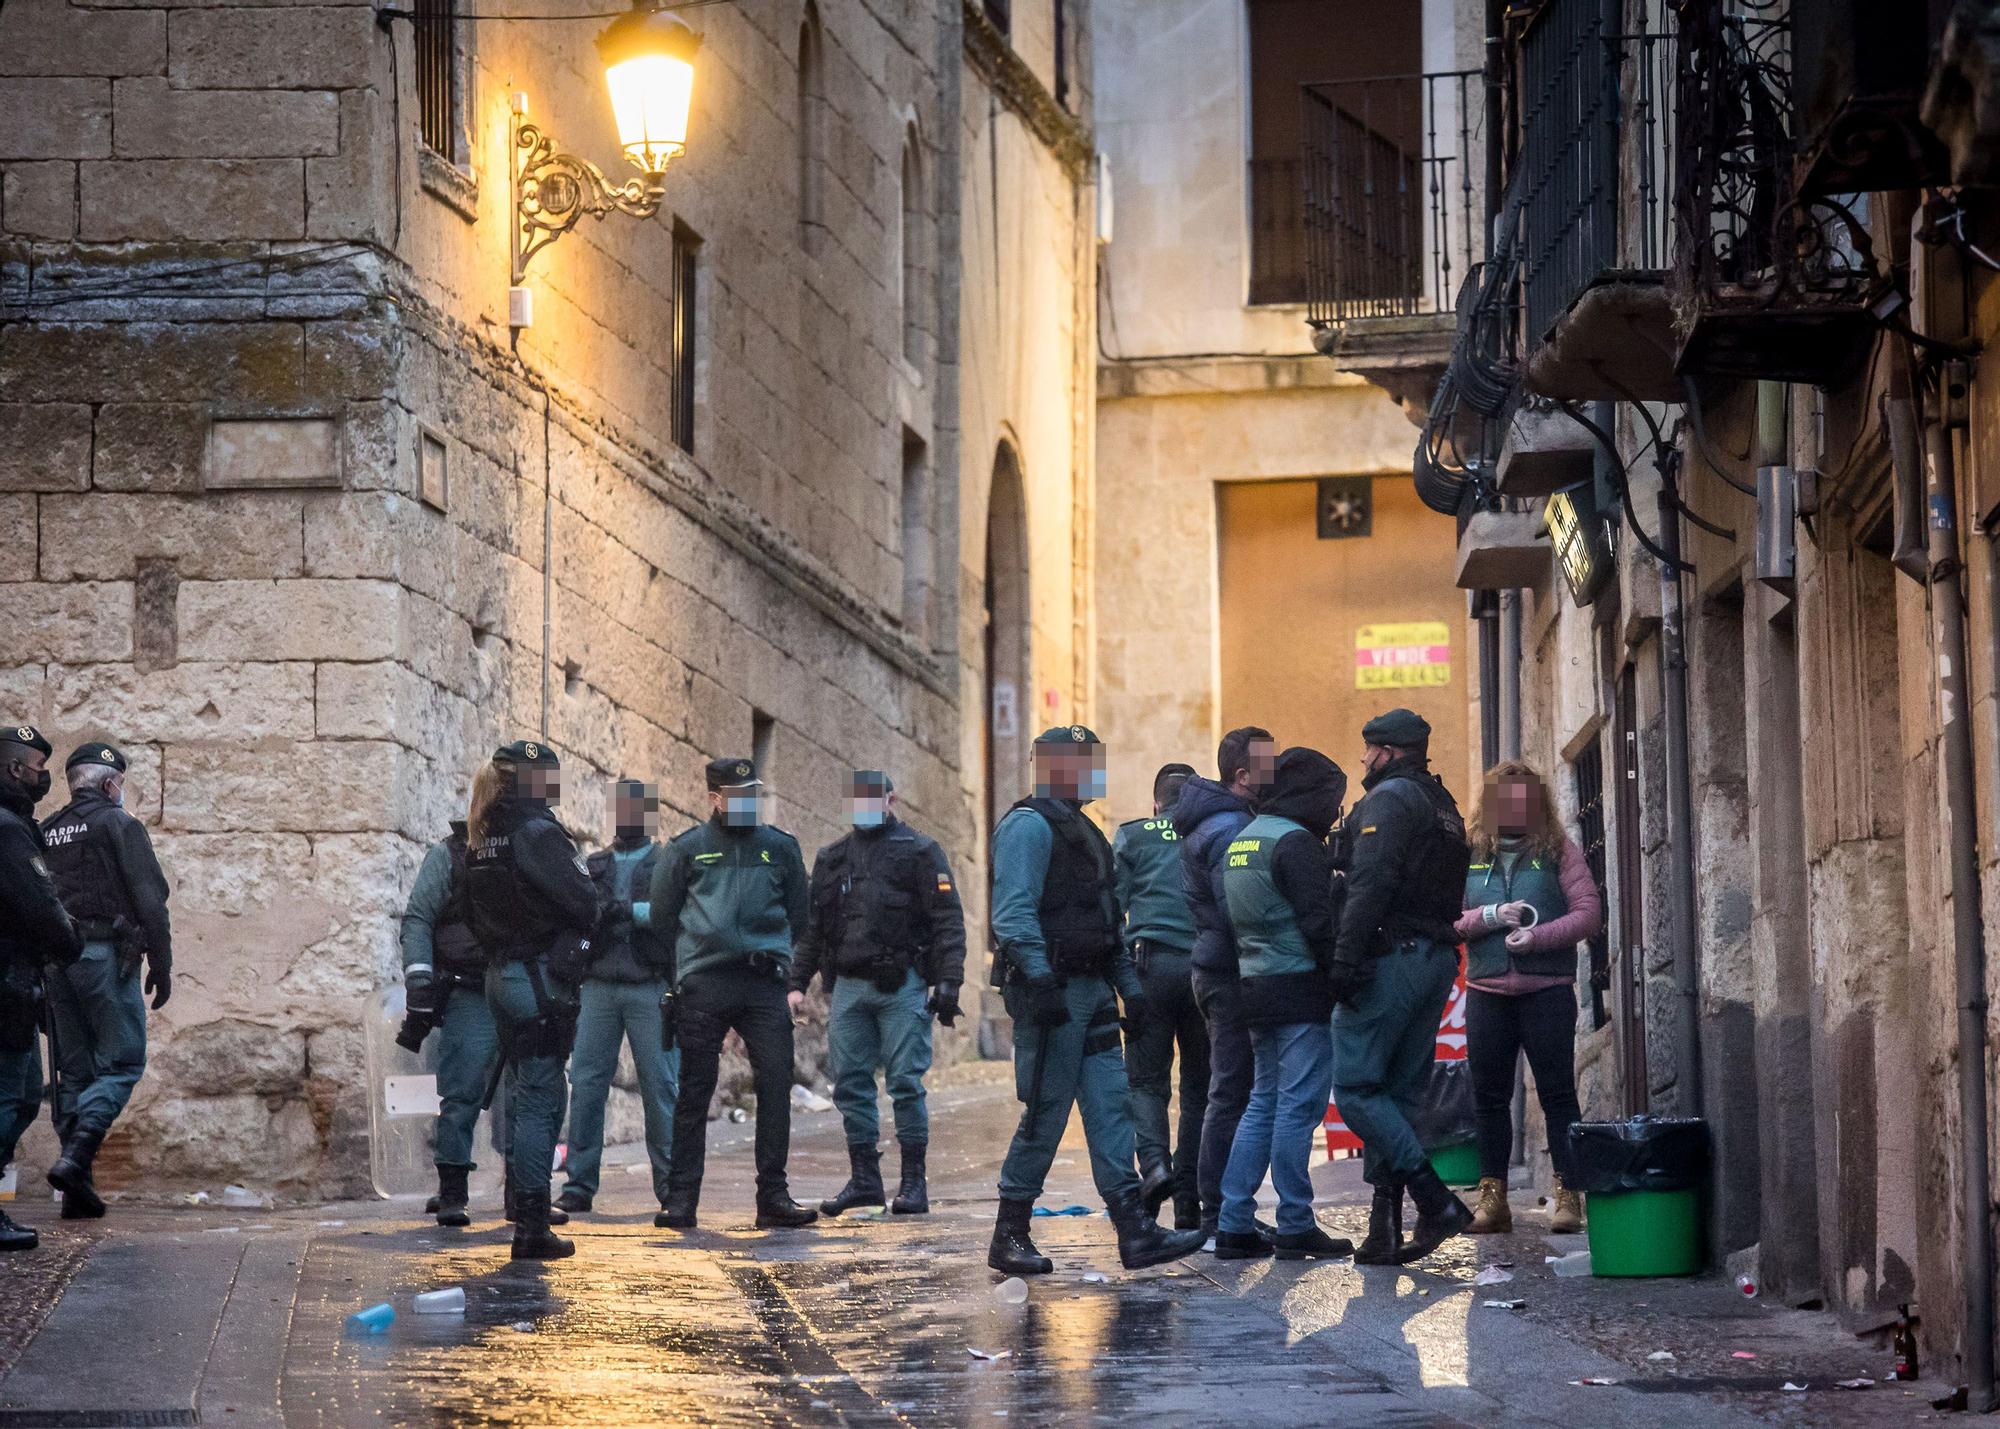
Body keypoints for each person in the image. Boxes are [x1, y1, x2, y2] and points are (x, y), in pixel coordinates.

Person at [985, 725, 1207, 1276]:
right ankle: (1009, 1232)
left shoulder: (1089, 832)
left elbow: (1109, 923)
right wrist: (1039, 981)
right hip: (1053, 994)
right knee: (1046, 1113)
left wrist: (1132, 992)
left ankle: (1135, 1231)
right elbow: (1012, 914)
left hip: (1094, 993)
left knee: (1113, 1107)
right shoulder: (1028, 827)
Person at [1330, 708, 1474, 1265]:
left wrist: (1345, 956)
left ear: (1387, 751)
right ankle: (1383, 1230)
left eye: (1369, 750)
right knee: (1398, 1094)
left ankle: (1433, 1200)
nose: (1364, 759)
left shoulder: (1389, 800)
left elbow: (1371, 880)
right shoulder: (1445, 806)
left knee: (1359, 1088)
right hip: (1435, 958)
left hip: (1393, 957)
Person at [650, 757, 818, 1231]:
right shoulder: (688, 850)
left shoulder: (779, 848)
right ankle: (681, 1199)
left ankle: (774, 1196)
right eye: (737, 795)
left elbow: (800, 916)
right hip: (706, 982)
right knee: (694, 1089)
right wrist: (684, 972)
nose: (747, 803)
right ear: (714, 799)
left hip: (763, 982)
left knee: (776, 1082)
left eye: (753, 794)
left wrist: (780, 962)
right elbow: (663, 918)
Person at [792, 770, 966, 1217]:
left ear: (892, 798)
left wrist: (949, 982)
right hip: (848, 987)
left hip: (903, 985)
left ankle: (913, 1184)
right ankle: (865, 1180)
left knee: (906, 1083)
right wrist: (796, 982)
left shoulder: (921, 852)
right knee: (850, 1083)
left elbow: (947, 920)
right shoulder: (832, 858)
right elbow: (814, 930)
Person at [1215, 747, 1355, 1261]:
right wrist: (1340, 977)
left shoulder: (1243, 840)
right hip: (1298, 987)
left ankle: (1233, 1222)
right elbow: (1318, 924)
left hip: (1254, 984)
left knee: (1263, 1102)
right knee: (1298, 1108)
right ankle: (1295, 1221)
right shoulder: (1295, 843)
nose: (1333, 810)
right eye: (1330, 799)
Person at [464, 740, 600, 1260]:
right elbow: (585, 900)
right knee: (542, 1100)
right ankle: (532, 1224)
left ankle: (524, 1212)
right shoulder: (537, 833)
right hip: (538, 978)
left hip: (502, 976)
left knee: (523, 1096)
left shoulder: (484, 832)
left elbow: (469, 911)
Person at [1454, 759, 1601, 1236]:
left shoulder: (1559, 851)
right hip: (1487, 992)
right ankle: (1492, 1200)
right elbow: (1447, 918)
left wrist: (1537, 937)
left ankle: (1568, 1194)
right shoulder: (1471, 853)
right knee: (1488, 1098)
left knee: (1559, 1094)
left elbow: (1587, 914)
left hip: (1547, 993)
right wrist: (1492, 916)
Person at [38, 743, 171, 1220]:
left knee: (75, 1073)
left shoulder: (47, 830)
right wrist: (163, 962)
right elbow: (150, 899)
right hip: (103, 958)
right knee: (120, 1064)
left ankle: (78, 1190)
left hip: (57, 965)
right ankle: (76, 1158)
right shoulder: (119, 824)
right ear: (111, 783)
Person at [556, 780, 681, 1219]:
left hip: (651, 985)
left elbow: (675, 911)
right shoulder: (595, 864)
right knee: (588, 1085)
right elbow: (577, 911)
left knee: (661, 1087)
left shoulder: (667, 861)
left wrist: (631, 912)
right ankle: (579, 1184)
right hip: (600, 986)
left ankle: (672, 1187)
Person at [1173, 725, 1277, 1242]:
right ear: (1242, 775)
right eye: (1267, 763)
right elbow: (1241, 908)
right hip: (1230, 971)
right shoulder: (1232, 828)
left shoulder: (1217, 821)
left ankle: (1219, 1206)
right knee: (1233, 1091)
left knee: (1228, 1091)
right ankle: (1219, 1210)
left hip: (1215, 968)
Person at [396, 814, 502, 1228]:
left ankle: (527, 1196)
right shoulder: (452, 854)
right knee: (460, 1092)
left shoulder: (541, 846)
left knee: (526, 1095)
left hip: (523, 986)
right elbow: (419, 916)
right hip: (471, 988)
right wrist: (419, 978)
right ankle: (453, 1190)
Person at [1113, 761, 1205, 1230]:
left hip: (1149, 969)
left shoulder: (1134, 836)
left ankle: (1154, 1168)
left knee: (1146, 1080)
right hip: (1203, 972)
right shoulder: (1212, 833)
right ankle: (1190, 1200)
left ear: (1156, 803)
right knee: (1200, 1088)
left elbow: (1113, 908)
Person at [0, 727, 81, 1252]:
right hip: (7, 988)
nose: (41, 777)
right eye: (35, 767)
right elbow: (41, 907)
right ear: (14, 771)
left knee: (22, 1093)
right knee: (13, 1096)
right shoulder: (8, 831)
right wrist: (68, 938)